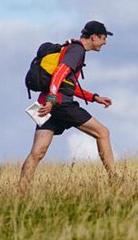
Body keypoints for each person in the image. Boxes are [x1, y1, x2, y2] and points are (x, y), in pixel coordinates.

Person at [19, 20, 117, 191]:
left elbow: (68, 85)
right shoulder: (77, 50)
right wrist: (51, 100)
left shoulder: (70, 48)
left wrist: (94, 98)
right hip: (60, 105)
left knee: (37, 152)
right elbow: (59, 74)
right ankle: (115, 179)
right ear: (93, 37)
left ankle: (21, 190)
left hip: (44, 104)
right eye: (103, 38)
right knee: (103, 133)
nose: (105, 42)